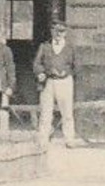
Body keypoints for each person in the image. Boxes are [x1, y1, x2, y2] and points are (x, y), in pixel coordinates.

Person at [31, 20, 77, 148]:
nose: (58, 34)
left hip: (65, 82)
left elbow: (76, 66)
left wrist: (66, 72)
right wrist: (41, 72)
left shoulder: (70, 47)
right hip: (49, 82)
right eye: (56, 31)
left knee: (67, 112)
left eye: (61, 31)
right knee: (46, 112)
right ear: (51, 32)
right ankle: (43, 140)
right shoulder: (44, 46)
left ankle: (69, 139)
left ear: (65, 33)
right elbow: (36, 64)